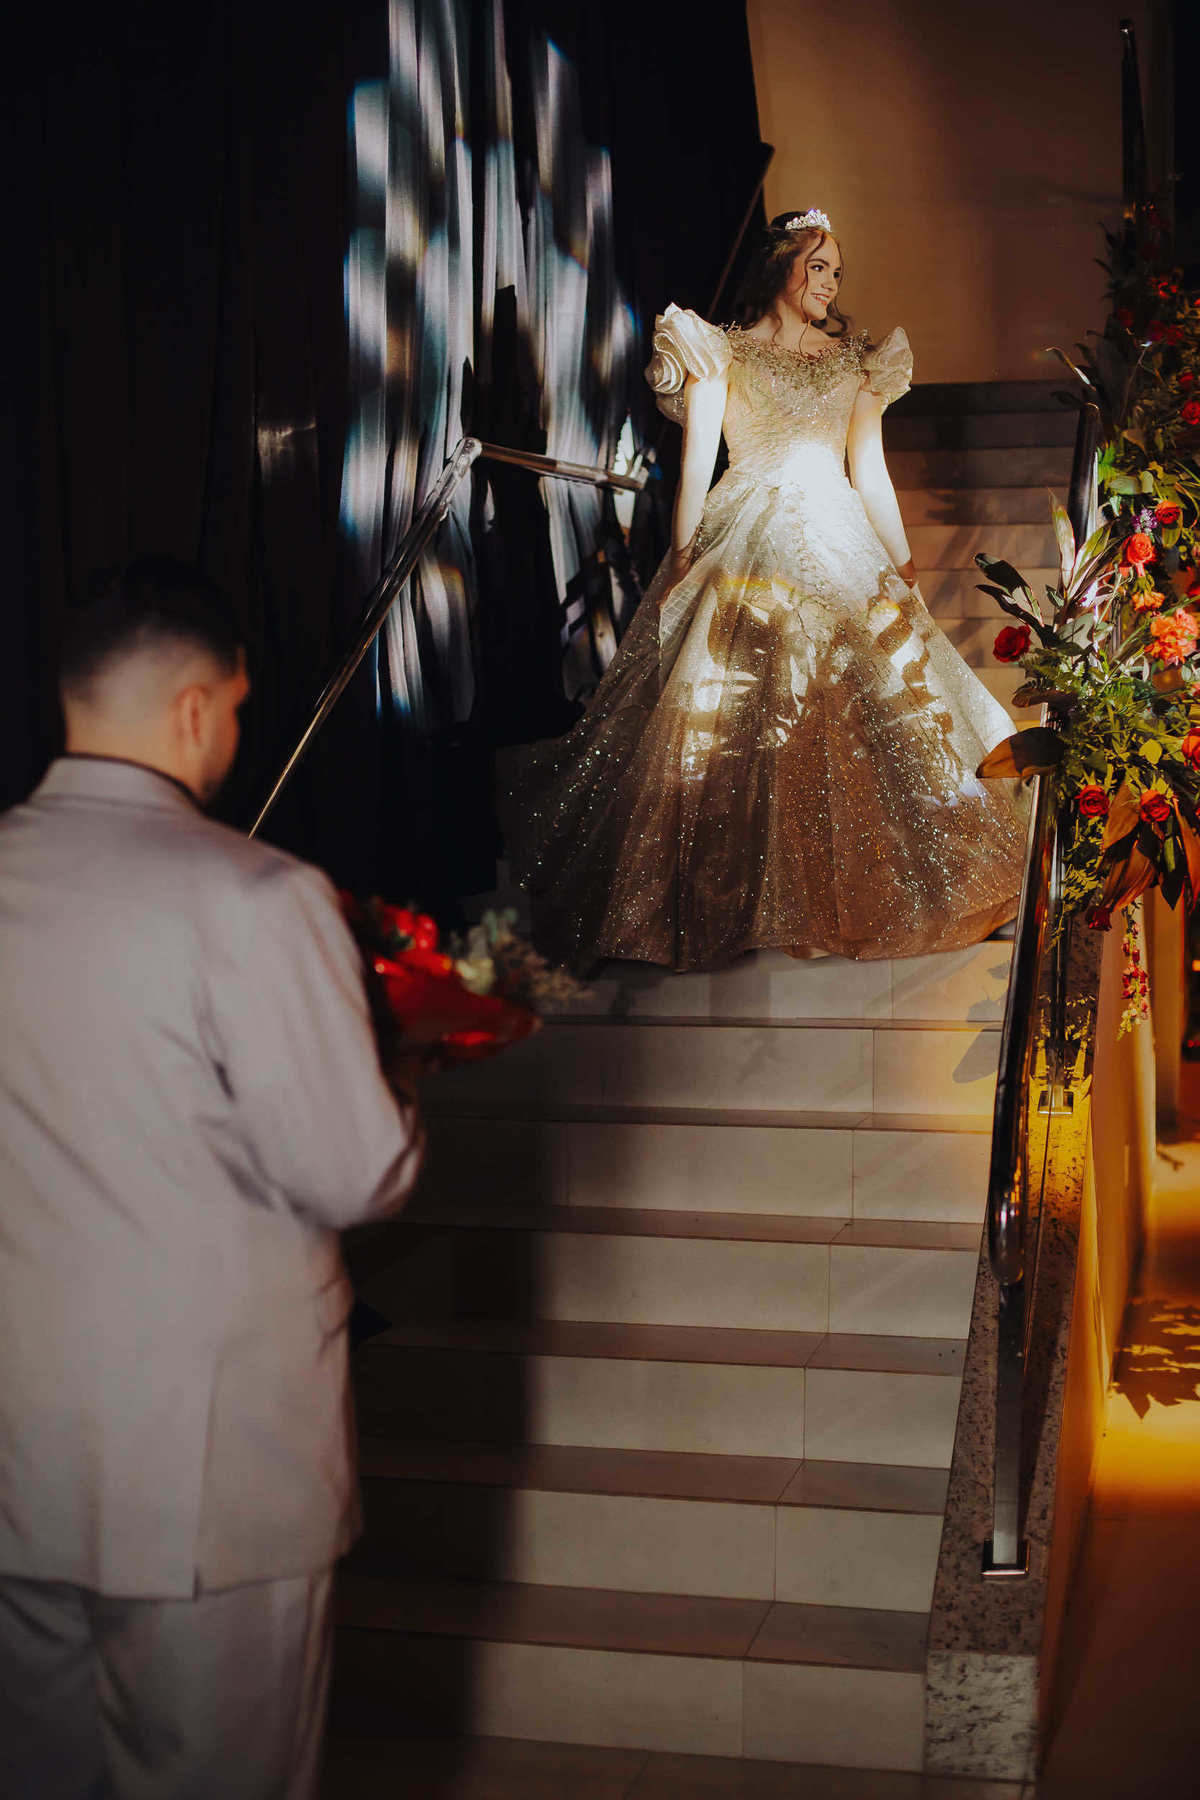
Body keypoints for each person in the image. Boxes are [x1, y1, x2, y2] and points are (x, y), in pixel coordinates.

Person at [0, 560, 424, 1799]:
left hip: (20, 1453)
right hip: (209, 1473)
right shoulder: (256, 898)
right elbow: (354, 1173)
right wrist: (399, 1067)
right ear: (198, 707)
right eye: (237, 710)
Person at [501, 208, 1025, 971]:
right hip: (746, 528)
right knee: (725, 708)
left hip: (838, 531)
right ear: (781, 266)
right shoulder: (718, 353)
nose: (830, 283)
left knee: (863, 695)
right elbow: (696, 466)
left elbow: (869, 470)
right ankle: (737, 894)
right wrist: (682, 555)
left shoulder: (856, 362)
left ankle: (863, 886)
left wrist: (904, 561)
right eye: (818, 266)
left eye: (836, 271)